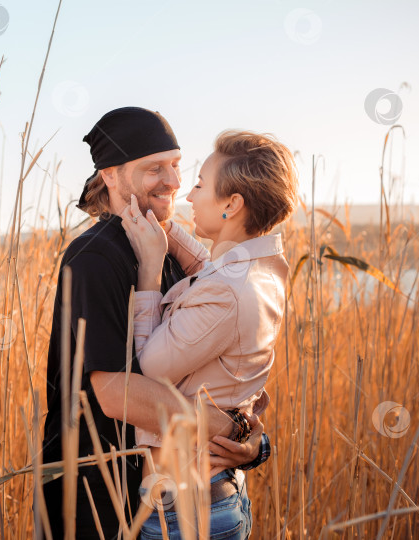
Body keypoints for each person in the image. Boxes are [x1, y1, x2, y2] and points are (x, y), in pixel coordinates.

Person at [41, 108, 271, 540]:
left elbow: (222, 372)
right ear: (110, 176)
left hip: (175, 501)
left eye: (176, 165)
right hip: (100, 502)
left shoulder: (166, 250)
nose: (173, 180)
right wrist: (232, 429)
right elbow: (115, 394)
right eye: (154, 168)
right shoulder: (95, 257)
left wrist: (254, 441)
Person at [120, 130, 299, 539]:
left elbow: (147, 368)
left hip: (187, 515)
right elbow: (209, 268)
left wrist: (150, 270)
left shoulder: (228, 292)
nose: (188, 195)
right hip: (216, 497)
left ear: (232, 204)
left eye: (200, 185)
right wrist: (164, 227)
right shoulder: (259, 268)